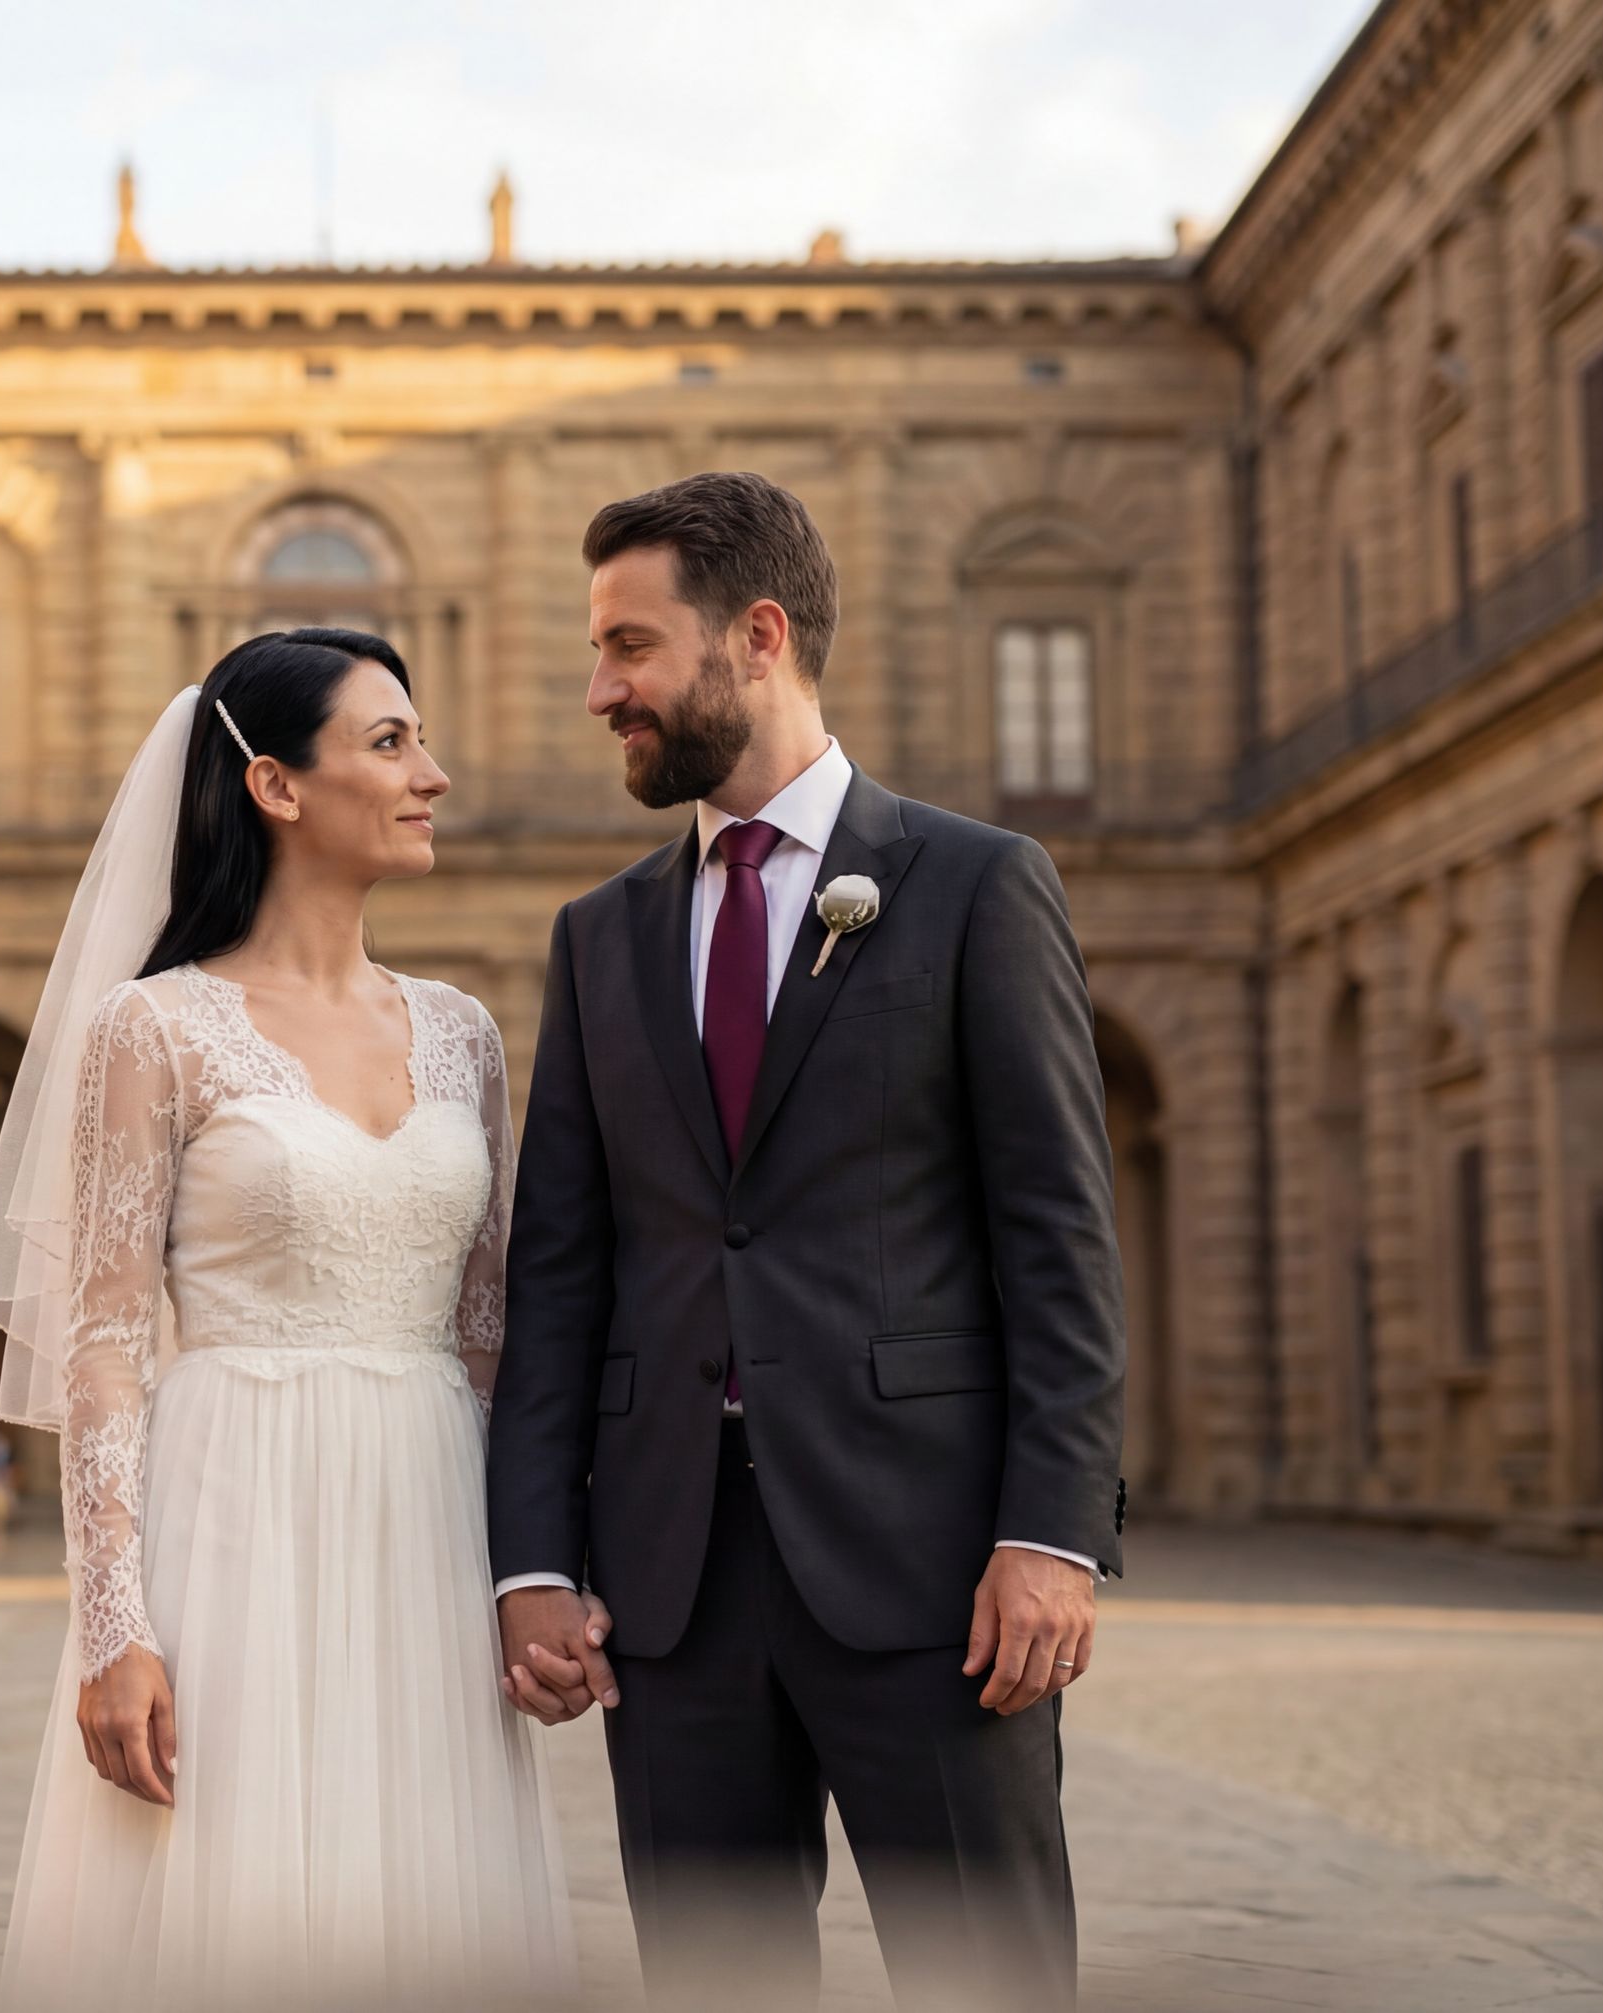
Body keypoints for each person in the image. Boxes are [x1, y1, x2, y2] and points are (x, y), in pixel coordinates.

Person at [487, 473, 1128, 2011]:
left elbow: (1059, 1235)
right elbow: (562, 1272)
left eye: (632, 647)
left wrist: (1052, 1531)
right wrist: (529, 1556)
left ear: (757, 636)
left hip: (931, 1577)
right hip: (673, 1586)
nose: (602, 692)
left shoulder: (978, 886)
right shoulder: (599, 938)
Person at [0, 629, 581, 2006]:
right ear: (276, 787)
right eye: (390, 742)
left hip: (425, 1522)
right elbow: (109, 1349)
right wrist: (117, 1623)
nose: (434, 774)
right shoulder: (155, 1030)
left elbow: (489, 1343)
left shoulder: (465, 1033)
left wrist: (528, 1571)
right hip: (231, 1518)